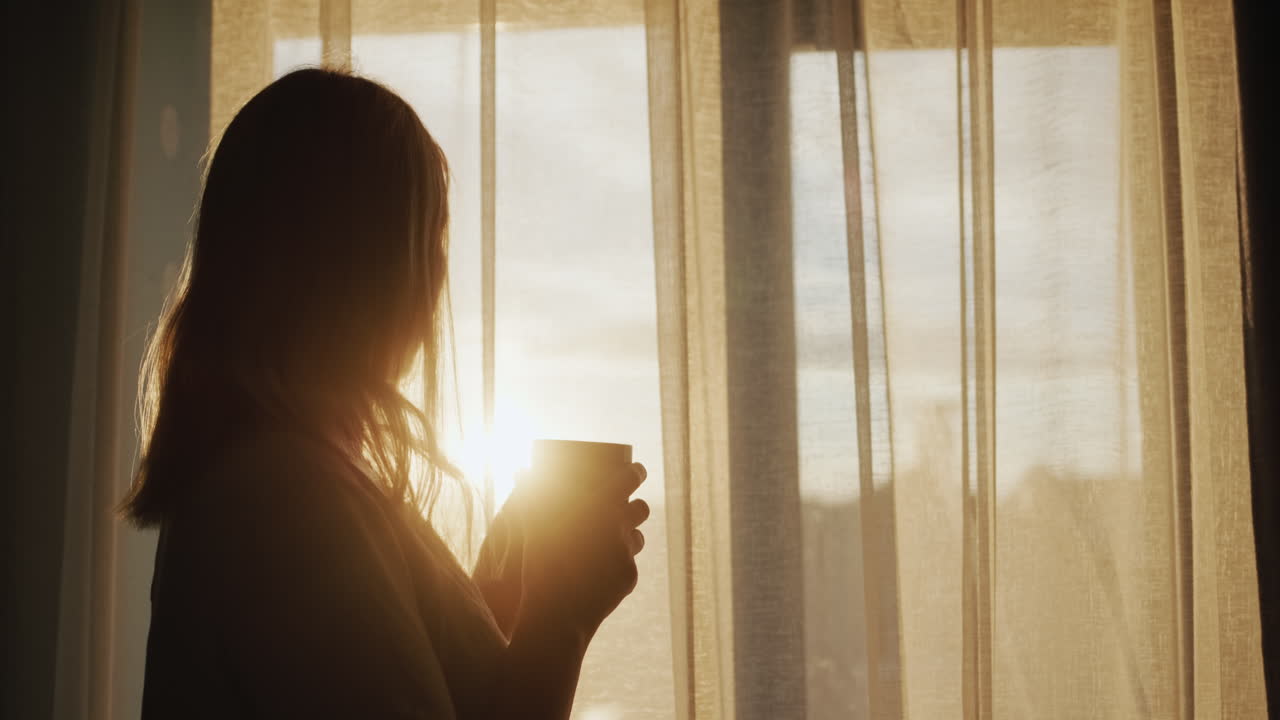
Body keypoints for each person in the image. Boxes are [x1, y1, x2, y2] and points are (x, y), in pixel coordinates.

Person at [121, 67, 650, 719]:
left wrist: (500, 592)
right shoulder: (288, 502)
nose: (437, 277)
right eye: (427, 241)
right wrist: (561, 618)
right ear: (362, 264)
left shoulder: (291, 475)